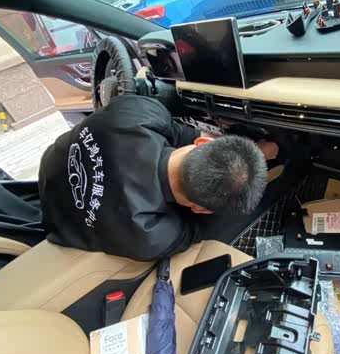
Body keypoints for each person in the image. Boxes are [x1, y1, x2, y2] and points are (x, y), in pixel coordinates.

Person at [38, 93, 278, 260]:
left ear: (203, 141)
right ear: (199, 208)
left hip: (50, 170)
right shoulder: (149, 237)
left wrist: (251, 152)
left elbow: (179, 131)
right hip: (58, 221)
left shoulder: (138, 112)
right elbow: (201, 228)